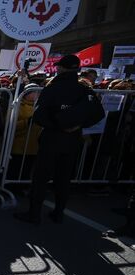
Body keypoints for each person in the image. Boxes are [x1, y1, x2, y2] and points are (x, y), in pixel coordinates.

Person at [14, 55, 105, 224]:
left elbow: (39, 116)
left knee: (41, 177)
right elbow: (98, 113)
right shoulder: (84, 89)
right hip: (72, 139)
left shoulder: (53, 88)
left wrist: (58, 126)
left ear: (61, 68)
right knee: (64, 177)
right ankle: (58, 213)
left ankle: (34, 214)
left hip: (52, 138)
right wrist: (78, 125)